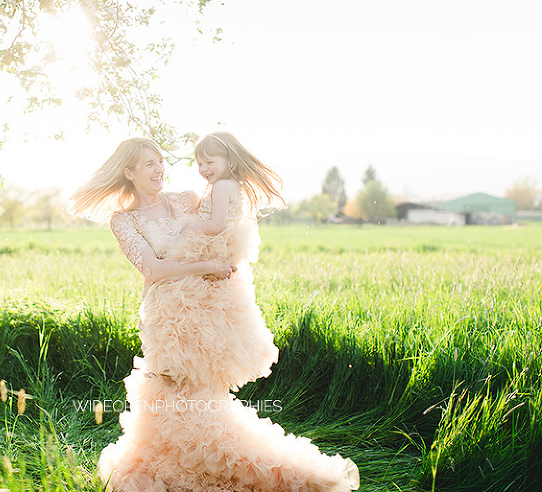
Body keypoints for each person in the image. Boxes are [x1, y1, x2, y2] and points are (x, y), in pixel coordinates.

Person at [70, 136, 359, 492]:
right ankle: (180, 466)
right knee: (168, 393)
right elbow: (152, 269)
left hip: (204, 315)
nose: (159, 169)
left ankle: (230, 466)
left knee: (204, 396)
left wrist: (221, 266)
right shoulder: (124, 220)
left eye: (160, 161)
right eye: (149, 164)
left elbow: (220, 231)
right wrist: (206, 265)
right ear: (128, 172)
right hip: (166, 318)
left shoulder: (185, 199)